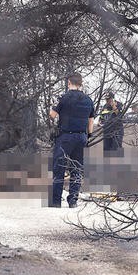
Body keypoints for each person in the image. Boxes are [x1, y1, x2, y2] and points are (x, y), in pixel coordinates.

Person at [49, 72, 95, 208]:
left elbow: (52, 115)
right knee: (76, 168)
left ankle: (56, 202)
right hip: (81, 136)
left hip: (65, 137)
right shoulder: (88, 100)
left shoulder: (63, 98)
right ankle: (73, 200)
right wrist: (89, 136)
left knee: (59, 168)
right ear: (81, 83)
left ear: (69, 82)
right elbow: (91, 120)